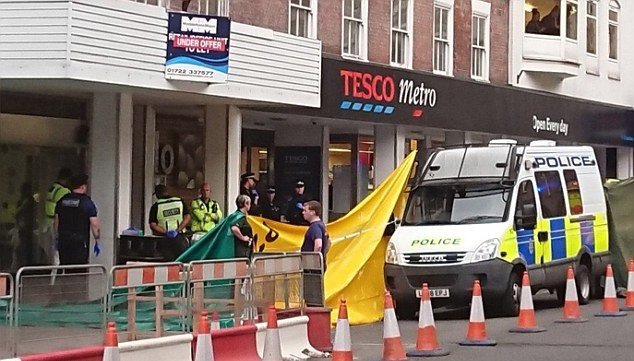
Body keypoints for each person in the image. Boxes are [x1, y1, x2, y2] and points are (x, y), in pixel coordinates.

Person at [54, 174, 100, 268]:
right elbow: (94, 224)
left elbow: (56, 222)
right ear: (83, 187)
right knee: (78, 269)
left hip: (64, 241)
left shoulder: (62, 200)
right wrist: (97, 239)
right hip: (79, 242)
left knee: (65, 267)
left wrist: (57, 237)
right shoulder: (86, 202)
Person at [45, 168, 71, 265]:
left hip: (48, 223)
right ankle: (57, 274)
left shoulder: (52, 188)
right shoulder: (64, 191)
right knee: (57, 252)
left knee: (52, 251)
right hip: (57, 224)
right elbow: (66, 209)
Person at [301, 200, 330, 269]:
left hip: (312, 268)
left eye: (305, 210)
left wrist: (313, 262)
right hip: (320, 265)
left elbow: (318, 245)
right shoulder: (321, 225)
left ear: (312, 212)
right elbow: (329, 242)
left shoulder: (315, 227)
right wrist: (323, 256)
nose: (303, 213)